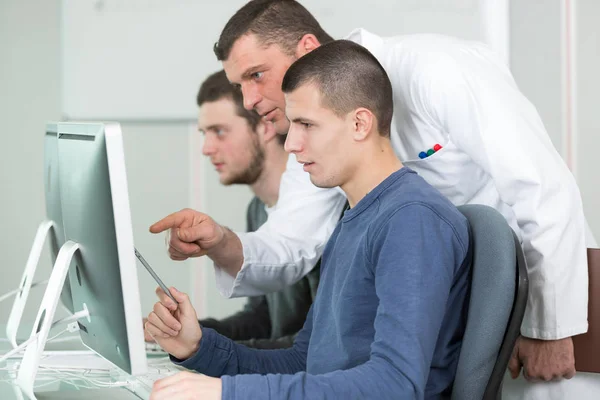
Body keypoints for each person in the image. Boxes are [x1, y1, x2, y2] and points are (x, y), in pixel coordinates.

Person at [151, 1, 594, 397]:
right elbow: (291, 244)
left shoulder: (437, 70)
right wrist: (201, 344)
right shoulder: (350, 206)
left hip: (541, 297)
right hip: (438, 324)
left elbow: (542, 188)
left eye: (255, 75)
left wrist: (549, 326)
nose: (248, 101)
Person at [146, 40, 472, 400]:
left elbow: (394, 385)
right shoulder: (353, 218)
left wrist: (228, 393)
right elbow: (305, 360)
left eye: (306, 124)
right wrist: (198, 347)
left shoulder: (412, 220)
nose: (290, 144)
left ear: (360, 123)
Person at [145, 70, 319, 349]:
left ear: (266, 126)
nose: (206, 148)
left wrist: (208, 353)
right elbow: (263, 319)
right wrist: (189, 333)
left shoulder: (322, 214)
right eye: (204, 133)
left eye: (219, 132)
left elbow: (318, 347)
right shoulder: (258, 210)